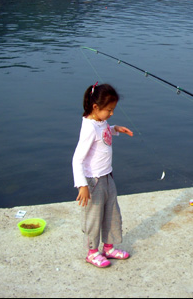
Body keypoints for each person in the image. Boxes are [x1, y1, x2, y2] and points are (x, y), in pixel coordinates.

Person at [72, 82, 134, 268]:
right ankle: (92, 252)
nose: (111, 113)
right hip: (94, 181)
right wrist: (82, 185)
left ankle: (109, 247)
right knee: (93, 217)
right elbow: (77, 160)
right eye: (109, 110)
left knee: (111, 213)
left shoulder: (100, 121)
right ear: (95, 107)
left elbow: (103, 133)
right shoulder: (89, 128)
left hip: (107, 176)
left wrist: (115, 129)